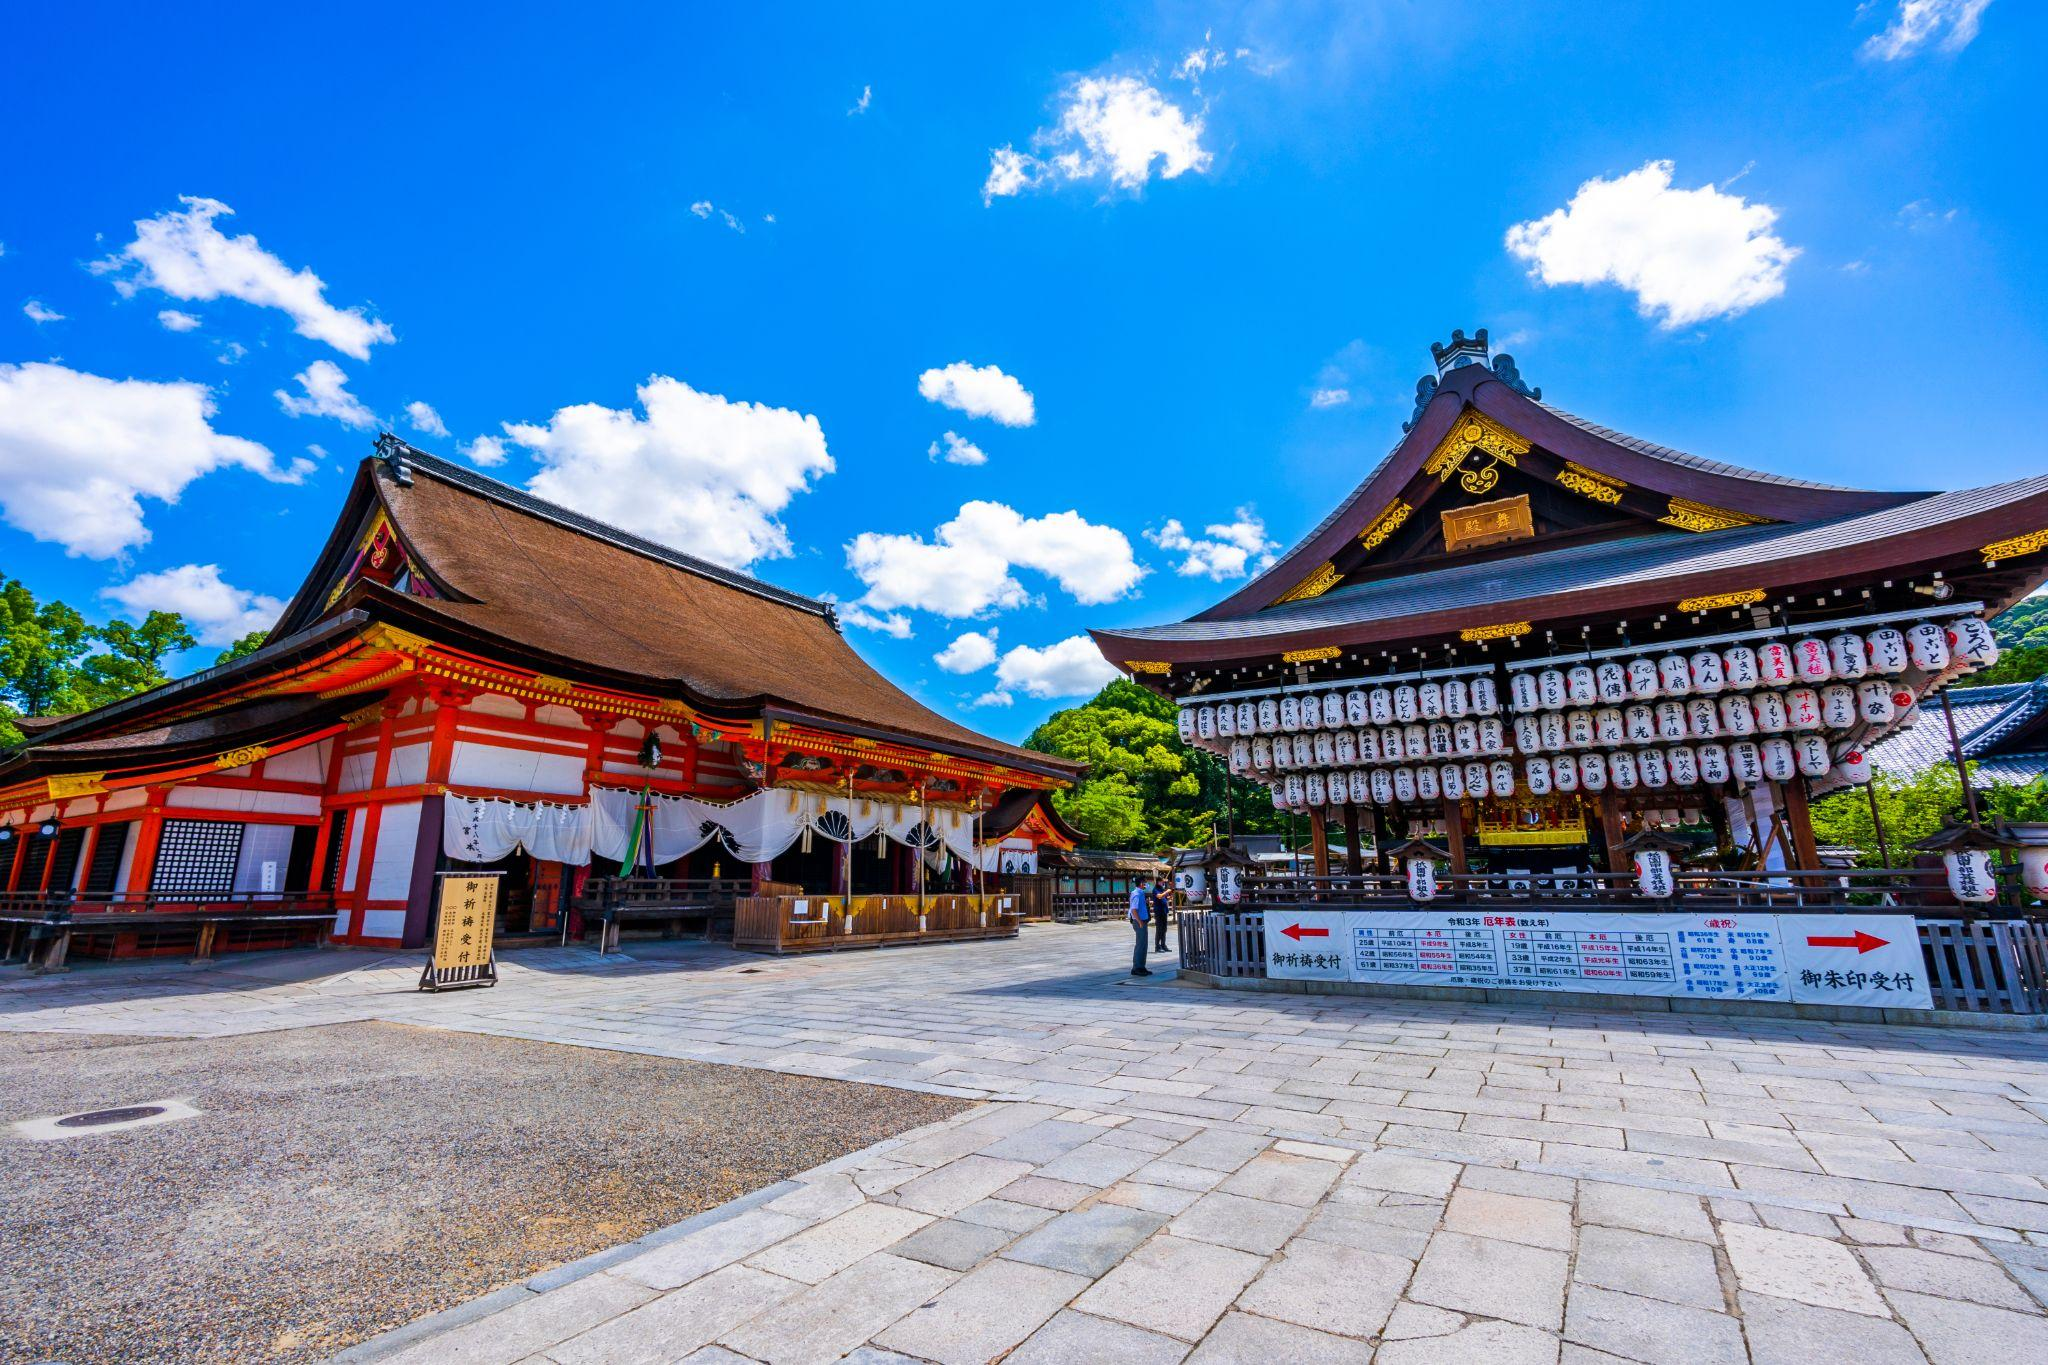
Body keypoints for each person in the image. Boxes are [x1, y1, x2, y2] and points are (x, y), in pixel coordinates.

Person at [1126, 878, 1151, 976]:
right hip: (1139, 921)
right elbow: (1134, 910)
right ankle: (1137, 967)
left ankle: (1141, 966)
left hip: (1142, 920)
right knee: (1141, 944)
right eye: (1145, 883)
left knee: (1143, 944)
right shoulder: (1136, 894)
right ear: (1141, 884)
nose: (1146, 885)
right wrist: (1140, 922)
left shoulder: (1140, 893)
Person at [1150, 874, 1172, 953]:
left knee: (1164, 929)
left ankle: (1163, 945)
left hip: (1164, 910)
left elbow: (1165, 898)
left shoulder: (1162, 888)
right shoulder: (1155, 889)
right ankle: (1157, 946)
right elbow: (1159, 896)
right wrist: (1166, 891)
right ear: (1158, 882)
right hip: (1158, 911)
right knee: (1159, 929)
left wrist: (1170, 895)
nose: (1163, 883)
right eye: (1162, 882)